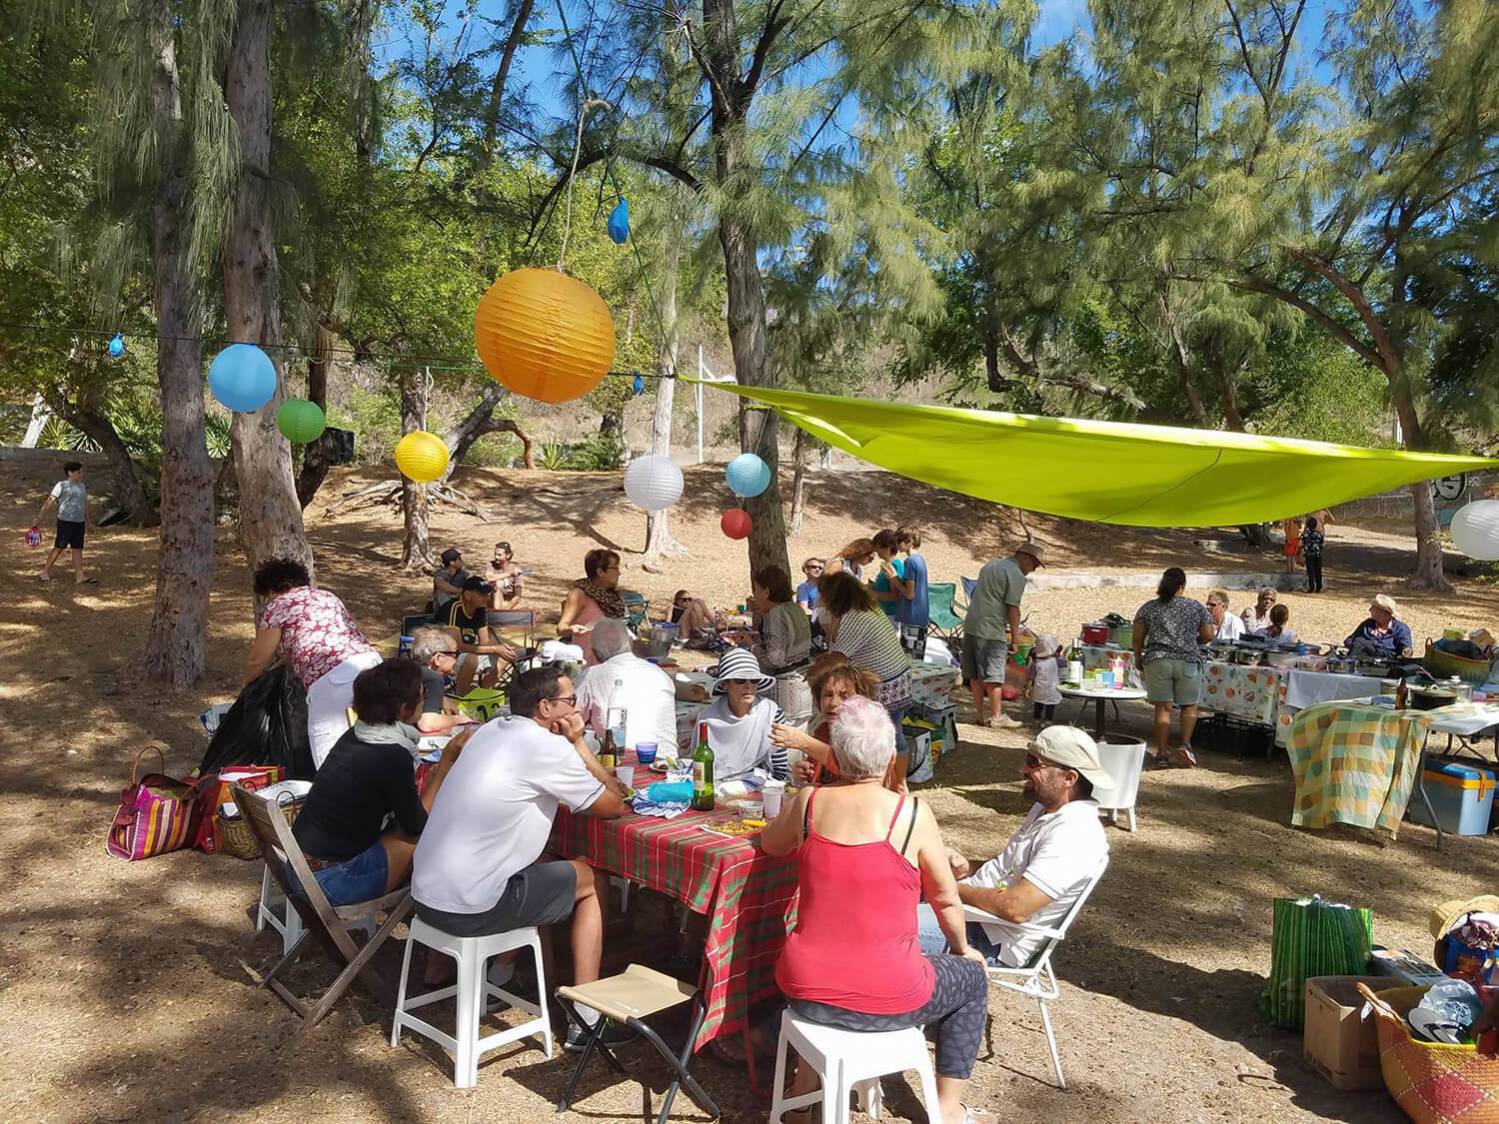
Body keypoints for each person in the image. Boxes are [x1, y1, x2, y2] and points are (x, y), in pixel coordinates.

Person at [763, 698, 995, 1124]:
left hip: (804, 987)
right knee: (974, 980)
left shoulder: (809, 801)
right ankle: (947, 1108)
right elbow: (944, 898)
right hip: (889, 995)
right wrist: (964, 949)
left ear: (837, 753)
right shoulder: (911, 814)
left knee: (836, 966)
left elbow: (769, 845)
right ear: (890, 757)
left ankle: (802, 1095)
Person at [411, 666, 629, 1048]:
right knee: (593, 879)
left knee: (543, 860)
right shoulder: (547, 747)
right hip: (471, 907)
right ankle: (586, 1018)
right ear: (546, 708)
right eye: (571, 702)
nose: (576, 709)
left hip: (425, 898)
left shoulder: (489, 731)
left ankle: (502, 974)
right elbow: (614, 804)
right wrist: (578, 744)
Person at [915, 727, 1110, 974]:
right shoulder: (1047, 809)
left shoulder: (1075, 834)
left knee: (870, 927)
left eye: (1034, 763)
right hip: (970, 918)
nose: (1023, 770)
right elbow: (1013, 870)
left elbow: (1015, 907)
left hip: (987, 938)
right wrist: (968, 867)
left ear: (1069, 778)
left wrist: (947, 888)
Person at [293, 660, 468, 905]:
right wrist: (443, 768)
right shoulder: (392, 756)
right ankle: (444, 907)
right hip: (329, 881)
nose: (424, 701)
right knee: (429, 837)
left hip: (297, 867)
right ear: (403, 709)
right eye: (422, 696)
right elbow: (417, 827)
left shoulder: (357, 734)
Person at [244, 558, 382, 769]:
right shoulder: (327, 596)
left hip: (334, 681)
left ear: (271, 590)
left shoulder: (279, 606)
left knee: (331, 760)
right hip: (371, 666)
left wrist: (249, 693)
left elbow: (257, 661)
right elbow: (305, 644)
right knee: (375, 742)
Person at [819, 571, 916, 780]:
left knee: (885, 735)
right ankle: (895, 782)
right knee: (894, 734)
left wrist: (813, 673)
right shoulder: (867, 608)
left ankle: (892, 782)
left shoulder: (855, 617)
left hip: (887, 684)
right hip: (897, 678)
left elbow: (837, 657)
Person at [772, 654, 902, 790]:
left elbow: (857, 773)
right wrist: (802, 775)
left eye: (844, 696)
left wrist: (805, 743)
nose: (834, 703)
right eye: (828, 695)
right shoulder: (823, 731)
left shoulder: (869, 735)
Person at [1132, 567, 1216, 768]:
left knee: (1163, 708)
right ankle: (1185, 744)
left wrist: (1138, 657)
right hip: (1188, 660)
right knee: (1189, 706)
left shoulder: (1149, 608)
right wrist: (1191, 639)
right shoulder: (1195, 607)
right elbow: (1208, 635)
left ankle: (1161, 753)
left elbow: (1137, 638)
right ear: (1182, 587)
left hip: (1158, 660)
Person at [962, 542, 1045, 730]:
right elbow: (1013, 608)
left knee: (974, 674)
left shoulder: (991, 565)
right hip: (990, 629)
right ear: (1025, 558)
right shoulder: (1016, 575)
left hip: (972, 623)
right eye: (1034, 565)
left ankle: (981, 716)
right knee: (994, 675)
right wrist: (1015, 639)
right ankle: (997, 717)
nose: (1033, 570)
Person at [574, 618, 678, 752]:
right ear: (630, 644)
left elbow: (572, 722)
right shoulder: (659, 673)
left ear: (595, 653)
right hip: (667, 761)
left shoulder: (591, 676)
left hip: (623, 760)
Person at [698, 648, 789, 783]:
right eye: (740, 680)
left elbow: (780, 769)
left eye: (753, 680)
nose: (748, 686)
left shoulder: (772, 713)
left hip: (760, 786)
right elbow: (699, 767)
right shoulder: (707, 718)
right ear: (725, 684)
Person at [749, 564, 815, 730]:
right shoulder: (796, 609)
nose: (754, 595)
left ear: (766, 592)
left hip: (787, 693)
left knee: (785, 747)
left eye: (756, 590)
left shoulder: (775, 614)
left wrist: (752, 646)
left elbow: (774, 659)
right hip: (804, 684)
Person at [441, 576, 517, 694]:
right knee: (471, 658)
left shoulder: (480, 610)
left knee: (506, 654)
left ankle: (484, 692)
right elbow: (457, 646)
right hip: (446, 655)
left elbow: (484, 642)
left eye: (488, 594)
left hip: (469, 654)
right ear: (467, 595)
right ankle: (461, 697)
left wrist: (500, 647)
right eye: (482, 594)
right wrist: (494, 648)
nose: (487, 597)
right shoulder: (454, 608)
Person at [557, 549, 627, 665]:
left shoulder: (614, 598)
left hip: (613, 663)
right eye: (615, 568)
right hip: (587, 665)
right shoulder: (579, 594)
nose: (619, 573)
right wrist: (571, 629)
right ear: (601, 572)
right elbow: (560, 628)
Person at [37, 460, 94, 584]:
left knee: (77, 549)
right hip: (65, 522)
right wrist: (39, 518)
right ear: (70, 473)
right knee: (59, 547)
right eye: (79, 472)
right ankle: (45, 571)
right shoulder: (61, 485)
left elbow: (84, 505)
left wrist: (88, 522)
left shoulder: (82, 486)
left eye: (81, 472)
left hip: (79, 523)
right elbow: (50, 501)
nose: (81, 474)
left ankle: (80, 576)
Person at [407, 627, 473, 734]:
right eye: (454, 654)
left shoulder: (406, 667)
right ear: (438, 658)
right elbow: (427, 724)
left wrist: (442, 698)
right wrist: (461, 720)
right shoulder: (433, 678)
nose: (457, 659)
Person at [894, 527, 931, 659]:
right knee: (916, 659)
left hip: (911, 616)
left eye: (898, 541)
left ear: (908, 541)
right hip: (920, 616)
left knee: (908, 661)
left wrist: (893, 578)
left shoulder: (910, 562)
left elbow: (910, 594)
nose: (896, 545)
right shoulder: (920, 560)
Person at [1345, 593, 1414, 660]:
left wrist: (1406, 651)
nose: (1370, 610)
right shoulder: (1367, 624)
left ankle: (1349, 663)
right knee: (1359, 643)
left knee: (1360, 642)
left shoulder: (1400, 628)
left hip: (1387, 659)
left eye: (1372, 608)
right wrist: (1354, 644)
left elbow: (1407, 648)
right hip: (1365, 658)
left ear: (1382, 612)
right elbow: (1349, 640)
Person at [871, 529, 907, 619]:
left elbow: (893, 595)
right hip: (884, 613)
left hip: (891, 615)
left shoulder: (894, 566)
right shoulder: (888, 564)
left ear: (888, 547)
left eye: (878, 546)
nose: (876, 550)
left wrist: (872, 595)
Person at [1028, 634, 1063, 723]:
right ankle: (1048, 719)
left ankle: (1037, 718)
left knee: (1038, 704)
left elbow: (1031, 675)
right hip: (1052, 688)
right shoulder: (1057, 661)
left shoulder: (1036, 662)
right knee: (1050, 705)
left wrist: (1028, 687)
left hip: (1039, 688)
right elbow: (1066, 664)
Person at [488, 540, 525, 610]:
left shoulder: (516, 568)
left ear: (508, 555)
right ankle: (497, 613)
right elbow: (489, 577)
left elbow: (518, 595)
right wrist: (510, 574)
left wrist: (507, 609)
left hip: (508, 602)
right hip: (492, 599)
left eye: (499, 555)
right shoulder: (491, 565)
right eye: (495, 554)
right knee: (498, 585)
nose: (496, 557)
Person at [432, 548, 468, 617]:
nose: (462, 561)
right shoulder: (442, 573)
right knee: (441, 593)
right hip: (443, 610)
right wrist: (458, 591)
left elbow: (472, 579)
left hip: (459, 605)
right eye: (459, 559)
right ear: (452, 562)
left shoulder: (462, 572)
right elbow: (440, 583)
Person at [1301, 517, 1325, 593]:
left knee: (1310, 571)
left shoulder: (1306, 535)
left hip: (1309, 555)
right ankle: (1319, 587)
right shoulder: (1319, 534)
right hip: (1317, 555)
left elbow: (1302, 542)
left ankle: (1311, 587)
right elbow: (1322, 544)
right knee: (1318, 571)